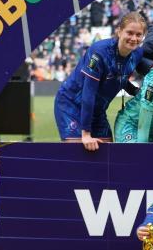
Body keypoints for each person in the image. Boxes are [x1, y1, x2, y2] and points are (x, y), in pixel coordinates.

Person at [54, 12, 146, 151]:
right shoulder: (99, 52)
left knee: (107, 154)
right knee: (78, 154)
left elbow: (120, 77)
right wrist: (86, 134)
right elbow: (88, 93)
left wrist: (137, 92)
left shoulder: (137, 54)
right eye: (130, 33)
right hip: (72, 104)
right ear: (119, 31)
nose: (134, 38)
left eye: (138, 34)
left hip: (97, 111)